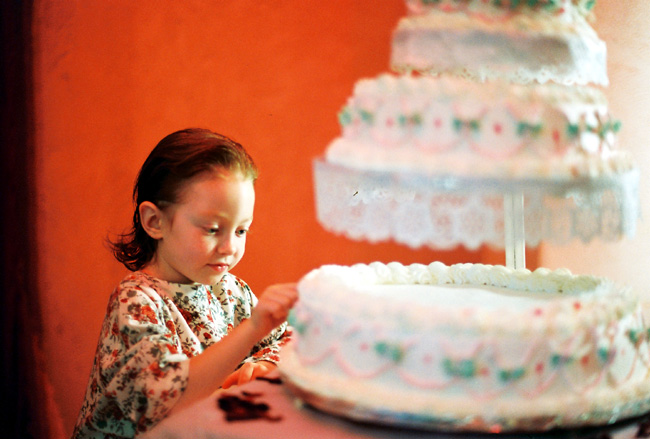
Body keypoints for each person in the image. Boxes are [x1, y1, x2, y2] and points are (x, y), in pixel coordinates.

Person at [72, 128, 298, 438]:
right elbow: (170, 402)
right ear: (155, 222)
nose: (230, 247)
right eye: (212, 229)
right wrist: (253, 329)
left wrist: (261, 364)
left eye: (241, 231)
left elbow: (288, 342)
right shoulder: (137, 302)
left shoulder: (231, 292)